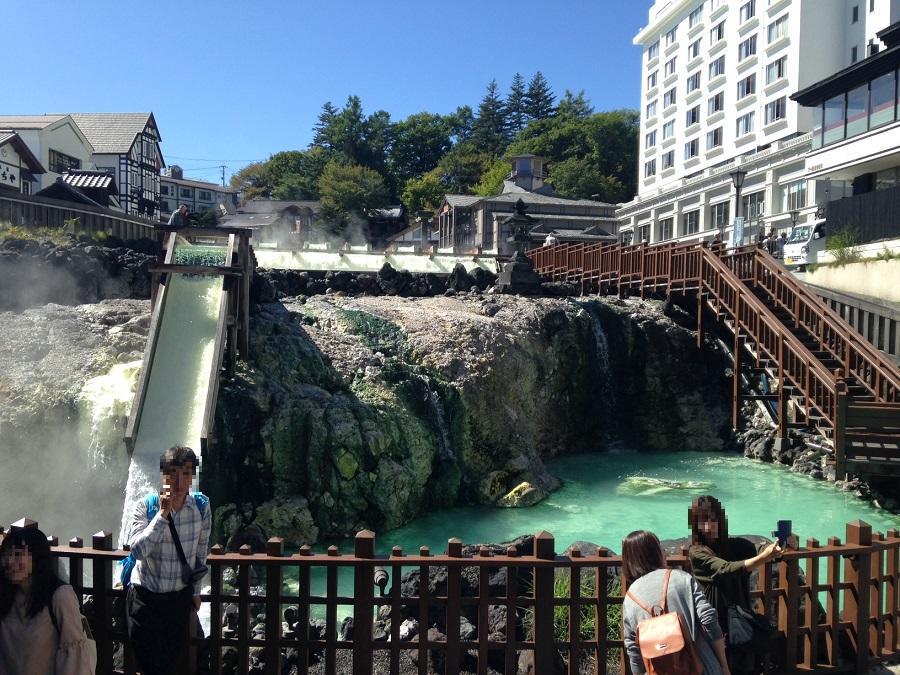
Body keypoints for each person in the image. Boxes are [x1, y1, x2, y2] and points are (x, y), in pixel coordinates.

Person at [125, 446, 212, 675]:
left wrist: (195, 591)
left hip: (178, 600)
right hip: (145, 598)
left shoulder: (201, 507)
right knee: (150, 667)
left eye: (186, 473)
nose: (179, 481)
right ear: (163, 475)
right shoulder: (145, 507)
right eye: (173, 473)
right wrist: (162, 515)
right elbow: (138, 551)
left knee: (177, 663)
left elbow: (200, 554)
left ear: (192, 476)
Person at [688, 496, 782, 673]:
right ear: (695, 525)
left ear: (720, 520)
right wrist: (764, 557)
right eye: (702, 522)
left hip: (739, 621)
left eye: (712, 520)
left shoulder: (733, 545)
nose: (708, 527)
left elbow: (757, 548)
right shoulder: (697, 553)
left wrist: (780, 547)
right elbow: (725, 569)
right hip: (714, 626)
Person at [622, 529, 731, 675]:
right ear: (656, 553)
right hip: (703, 666)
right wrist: (723, 666)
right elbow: (709, 619)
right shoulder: (682, 579)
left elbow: (633, 651)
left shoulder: (630, 599)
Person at [0, 526, 94, 674]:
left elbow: (74, 661)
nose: (9, 561)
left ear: (37, 557)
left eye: (18, 554)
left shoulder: (60, 597)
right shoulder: (6, 596)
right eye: (6, 554)